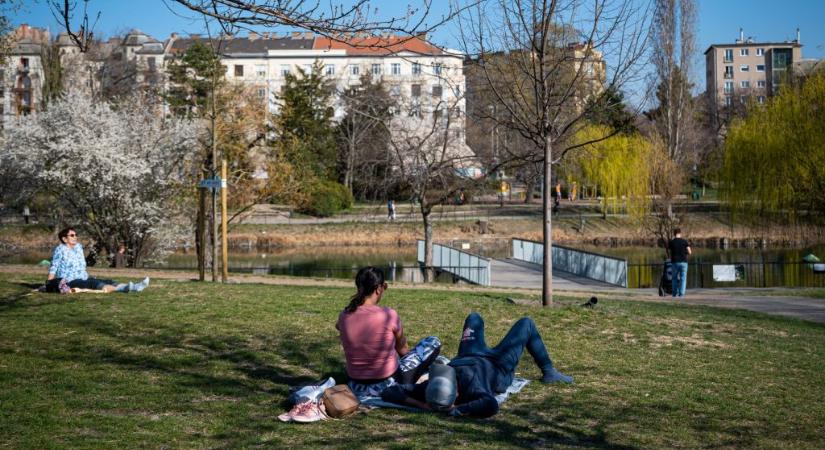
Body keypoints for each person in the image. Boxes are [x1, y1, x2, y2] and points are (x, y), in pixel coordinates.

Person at [381, 312, 573, 418]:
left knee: (474, 318)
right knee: (526, 324)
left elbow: (390, 392)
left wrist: (423, 405)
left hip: (469, 354)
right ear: (455, 396)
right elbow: (490, 405)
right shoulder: (474, 389)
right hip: (497, 365)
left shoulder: (427, 388)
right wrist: (458, 410)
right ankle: (549, 371)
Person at [336, 267, 440, 397]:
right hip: (388, 382)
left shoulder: (344, 315)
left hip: (355, 383)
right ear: (379, 288)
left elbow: (338, 326)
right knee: (433, 341)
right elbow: (403, 351)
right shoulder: (389, 315)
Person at [47, 227, 149, 293]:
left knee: (106, 281)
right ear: (65, 239)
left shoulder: (78, 248)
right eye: (72, 235)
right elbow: (54, 266)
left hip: (83, 277)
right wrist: (50, 282)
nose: (75, 237)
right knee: (96, 284)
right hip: (70, 280)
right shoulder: (60, 249)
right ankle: (126, 288)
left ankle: (134, 286)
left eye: (76, 235)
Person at [668, 228, 692, 297]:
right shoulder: (684, 241)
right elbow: (690, 252)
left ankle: (674, 293)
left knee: (674, 278)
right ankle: (681, 294)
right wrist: (685, 253)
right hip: (683, 262)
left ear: (674, 233)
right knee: (683, 278)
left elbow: (669, 252)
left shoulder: (671, 242)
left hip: (674, 262)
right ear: (680, 233)